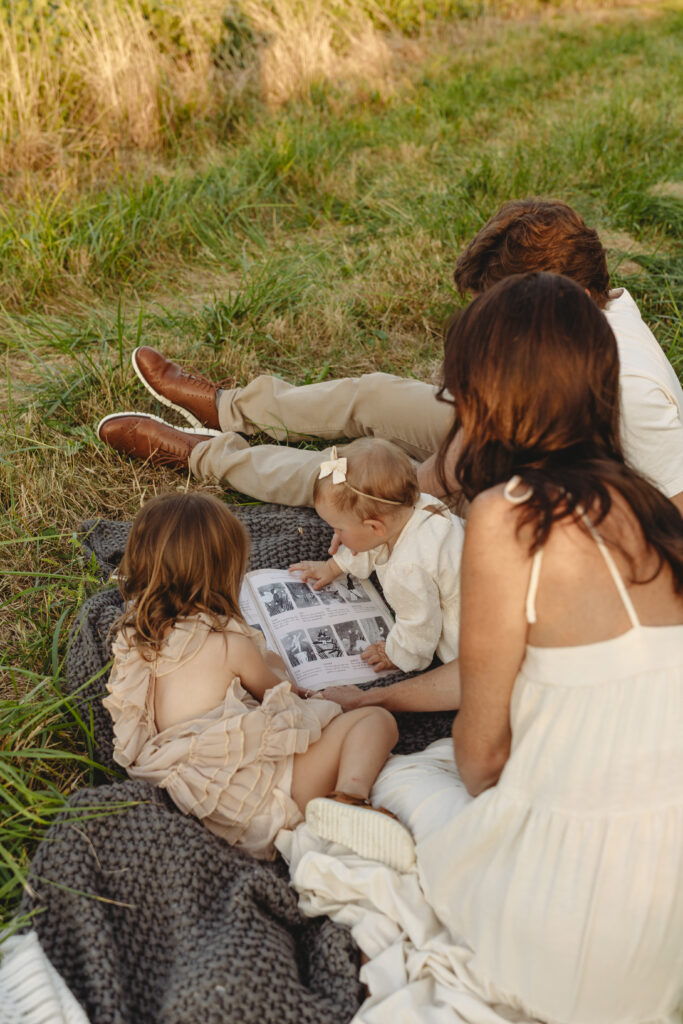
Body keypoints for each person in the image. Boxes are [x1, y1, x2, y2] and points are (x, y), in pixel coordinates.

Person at [365, 271, 683, 1023]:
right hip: (667, 916)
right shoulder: (658, 515)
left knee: (406, 780)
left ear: (481, 392)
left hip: (567, 931)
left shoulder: (509, 518)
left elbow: (482, 757)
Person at [97, 198, 683, 513]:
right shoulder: (590, 315)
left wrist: (438, 481)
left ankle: (209, 456)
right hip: (506, 428)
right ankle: (229, 408)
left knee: (352, 475)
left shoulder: (633, 391)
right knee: (374, 394)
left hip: (537, 479)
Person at [102, 491, 415, 870]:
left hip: (188, 795)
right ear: (224, 574)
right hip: (255, 799)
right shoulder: (229, 643)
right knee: (375, 721)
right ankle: (348, 802)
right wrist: (280, 668)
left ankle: (343, 808)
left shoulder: (135, 640)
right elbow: (284, 696)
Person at [290, 437, 464, 673]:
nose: (335, 534)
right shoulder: (421, 506)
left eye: (340, 529)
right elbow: (372, 544)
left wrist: (396, 655)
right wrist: (334, 566)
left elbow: (420, 625)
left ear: (374, 527)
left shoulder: (406, 569)